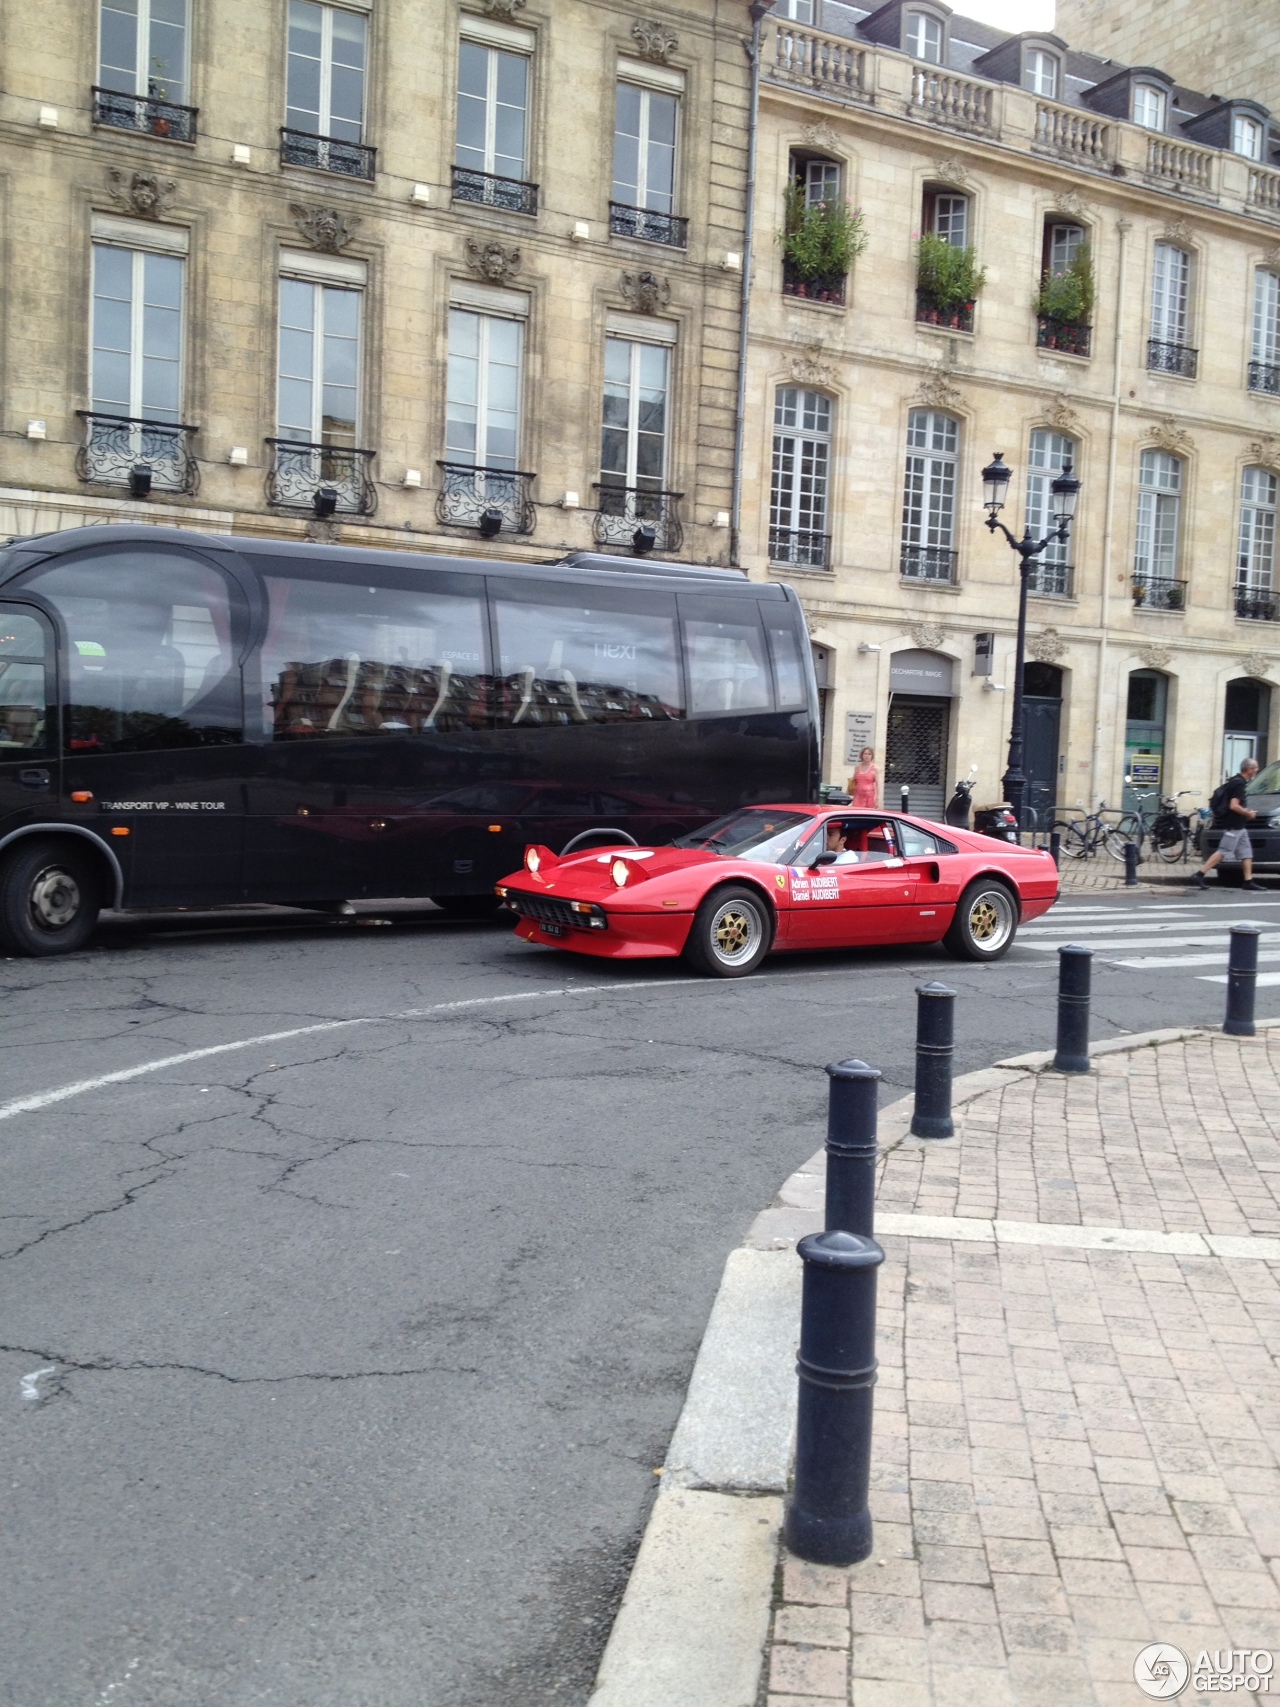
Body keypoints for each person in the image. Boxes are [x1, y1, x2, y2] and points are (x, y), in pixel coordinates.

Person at [1194, 757, 1266, 890]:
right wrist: (1248, 813)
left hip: (1239, 825)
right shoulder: (1239, 784)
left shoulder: (1234, 780)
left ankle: (1248, 881)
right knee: (1224, 850)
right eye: (1255, 768)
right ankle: (1200, 874)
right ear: (1249, 769)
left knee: (1246, 852)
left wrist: (1245, 810)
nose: (1256, 770)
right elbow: (1233, 806)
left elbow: (1234, 804)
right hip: (1234, 825)